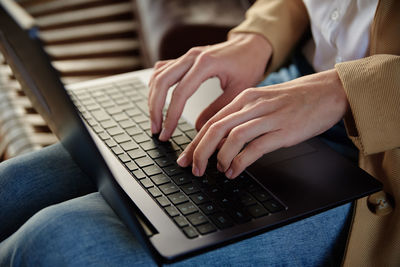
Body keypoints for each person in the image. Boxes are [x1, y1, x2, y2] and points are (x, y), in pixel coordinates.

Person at [0, 0, 399, 266]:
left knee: (55, 244)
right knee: (12, 187)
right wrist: (256, 39)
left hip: (377, 160)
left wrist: (345, 92)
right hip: (282, 86)